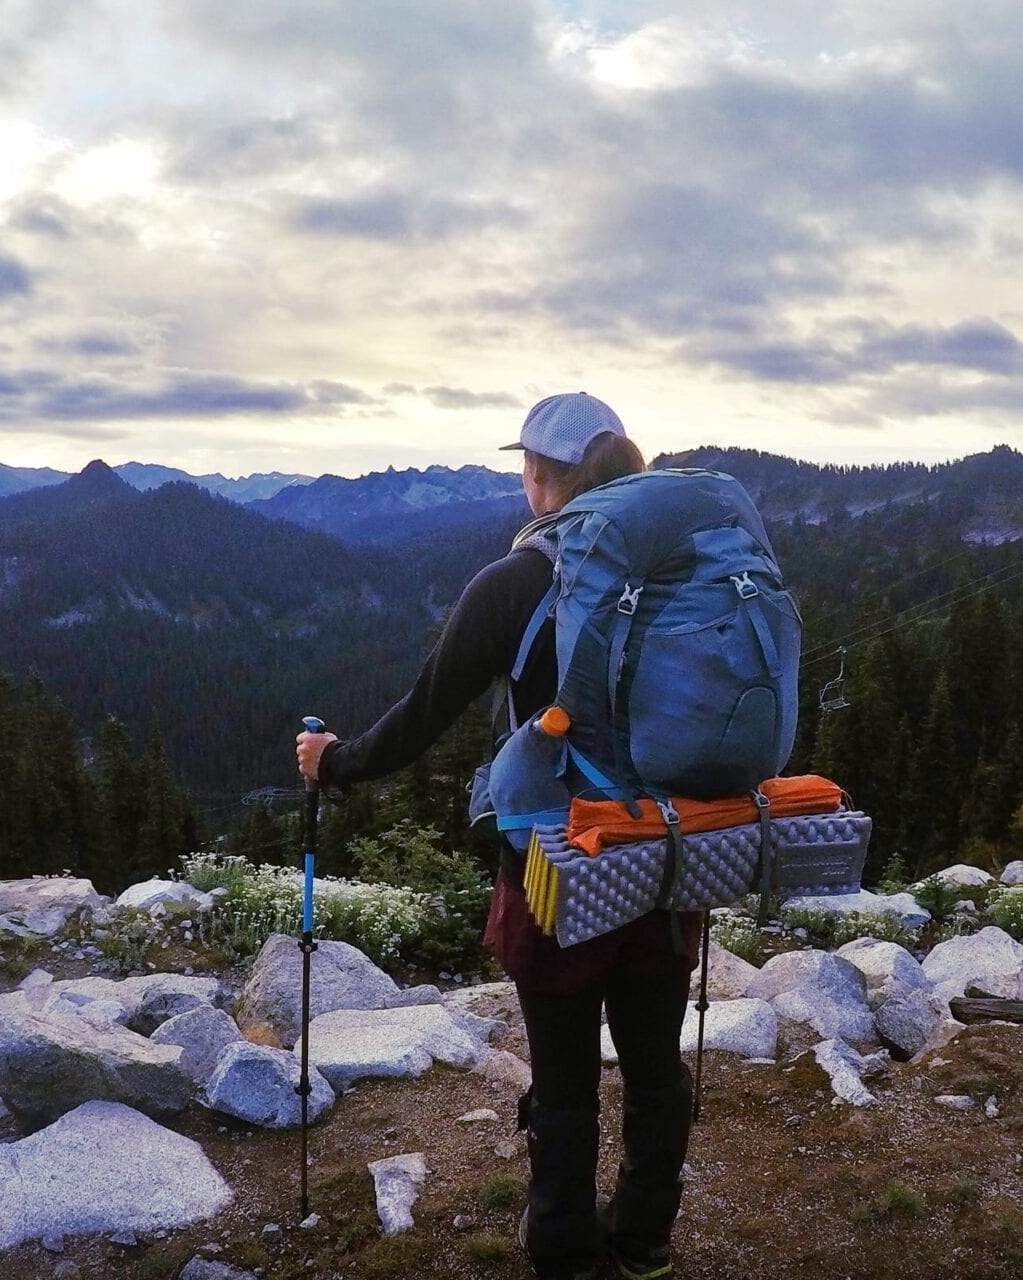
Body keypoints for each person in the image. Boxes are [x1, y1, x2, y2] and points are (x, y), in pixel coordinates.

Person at [297, 392, 698, 1280]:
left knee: (564, 1078)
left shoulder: (518, 582)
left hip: (558, 865)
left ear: (542, 478)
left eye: (528, 468)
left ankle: (560, 1243)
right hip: (672, 853)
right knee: (655, 1065)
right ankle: (644, 1239)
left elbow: (423, 713)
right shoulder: (683, 565)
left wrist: (334, 762)